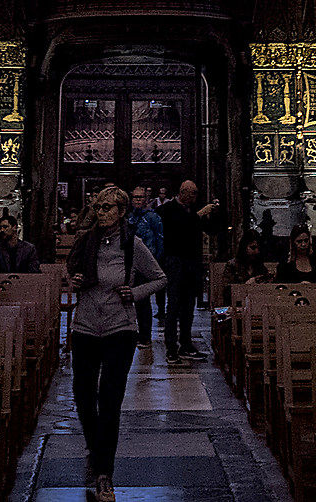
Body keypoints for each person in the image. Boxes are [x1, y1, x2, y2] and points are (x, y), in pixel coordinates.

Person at [66, 184, 166, 502]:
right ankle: (96, 450)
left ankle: (104, 473)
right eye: (98, 207)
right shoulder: (86, 242)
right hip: (85, 326)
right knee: (83, 396)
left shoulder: (131, 245)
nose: (102, 212)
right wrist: (75, 281)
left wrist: (133, 294)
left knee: (109, 401)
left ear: (122, 212)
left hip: (119, 330)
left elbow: (159, 277)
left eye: (108, 208)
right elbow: (75, 273)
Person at [155, 179, 220, 361]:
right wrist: (199, 215)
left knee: (188, 306)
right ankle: (171, 348)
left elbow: (211, 230)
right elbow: (180, 227)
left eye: (196, 194)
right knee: (174, 306)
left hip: (192, 263)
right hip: (175, 262)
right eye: (192, 193)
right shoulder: (167, 210)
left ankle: (186, 344)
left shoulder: (194, 210)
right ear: (183, 192)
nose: (194, 197)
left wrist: (211, 215)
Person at [128, 185, 166, 347]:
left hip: (146, 263)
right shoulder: (128, 217)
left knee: (143, 302)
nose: (137, 200)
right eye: (135, 197)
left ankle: (145, 336)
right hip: (130, 264)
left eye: (140, 197)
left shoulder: (152, 217)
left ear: (146, 199)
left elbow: (159, 239)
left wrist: (156, 262)